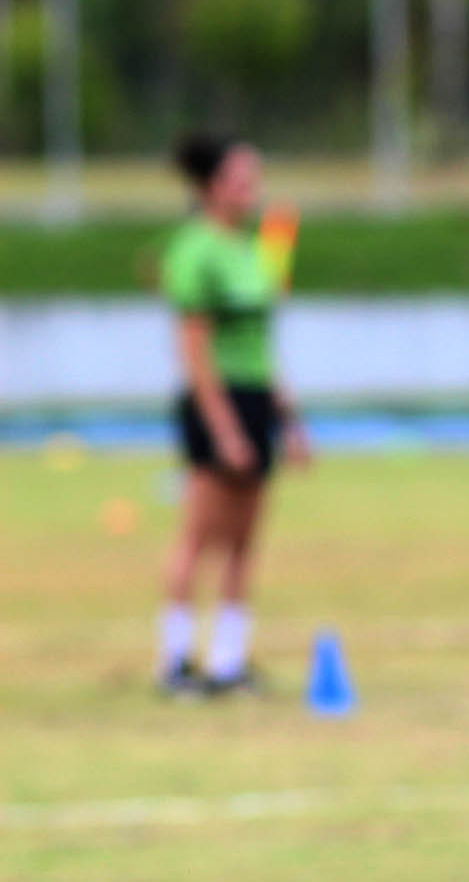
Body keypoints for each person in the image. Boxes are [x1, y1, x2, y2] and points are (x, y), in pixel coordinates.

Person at [156, 133, 309, 696]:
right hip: (214, 401)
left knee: (246, 540)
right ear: (212, 186)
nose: (254, 190)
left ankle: (228, 661)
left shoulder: (252, 248)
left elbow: (263, 347)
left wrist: (289, 421)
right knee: (198, 537)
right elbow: (193, 351)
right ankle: (175, 662)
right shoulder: (193, 250)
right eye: (243, 179)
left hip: (255, 398)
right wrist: (224, 431)